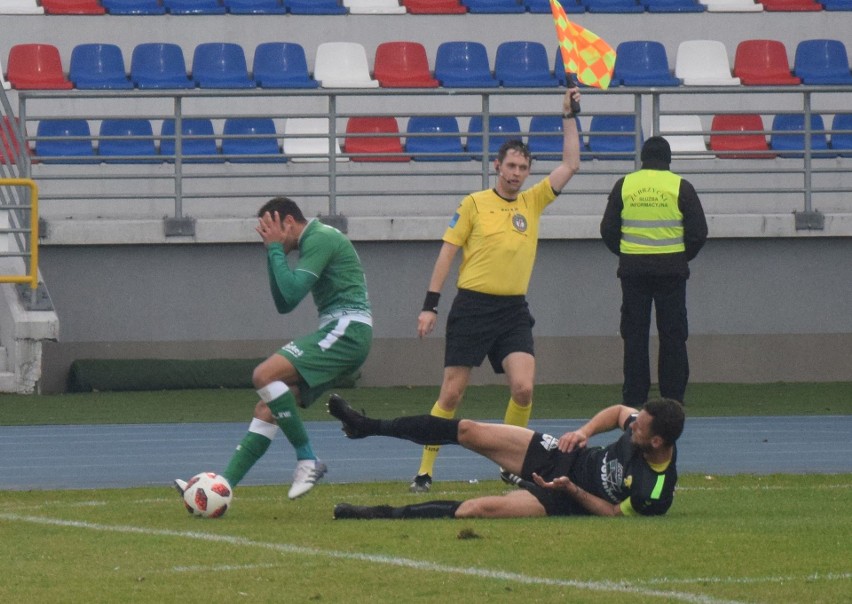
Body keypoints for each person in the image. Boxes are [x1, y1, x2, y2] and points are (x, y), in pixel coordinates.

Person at [411, 87, 583, 493]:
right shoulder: (473, 204)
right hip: (472, 307)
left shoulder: (533, 202)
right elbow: (446, 253)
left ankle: (512, 463)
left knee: (523, 387)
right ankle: (424, 469)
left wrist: (569, 114)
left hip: (512, 311)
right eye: (510, 165)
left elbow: (571, 163)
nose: (516, 173)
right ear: (496, 166)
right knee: (451, 395)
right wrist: (429, 306)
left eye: (523, 167)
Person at [175, 197, 372, 499]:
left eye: (271, 229)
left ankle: (308, 459)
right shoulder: (311, 242)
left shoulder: (320, 237)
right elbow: (284, 304)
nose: (266, 235)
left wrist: (276, 250)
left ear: (289, 223)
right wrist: (273, 251)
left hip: (348, 330)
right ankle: (222, 486)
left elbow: (291, 293)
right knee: (267, 407)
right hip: (340, 331)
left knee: (264, 375)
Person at [327, 394, 684, 520]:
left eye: (640, 430)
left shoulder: (654, 490)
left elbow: (612, 514)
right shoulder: (644, 428)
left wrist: (571, 490)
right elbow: (619, 411)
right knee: (467, 430)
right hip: (565, 457)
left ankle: (373, 514)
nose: (633, 427)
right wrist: (584, 433)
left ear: (656, 442)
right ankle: (364, 425)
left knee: (475, 510)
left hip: (568, 499)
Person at [600, 136, 707, 407]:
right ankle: (672, 397)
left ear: (643, 159)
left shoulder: (624, 185)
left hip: (633, 271)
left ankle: (635, 396)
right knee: (673, 334)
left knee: (635, 335)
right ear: (668, 160)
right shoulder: (681, 186)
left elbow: (608, 230)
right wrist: (681, 256)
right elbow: (699, 232)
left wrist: (627, 252)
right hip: (672, 271)